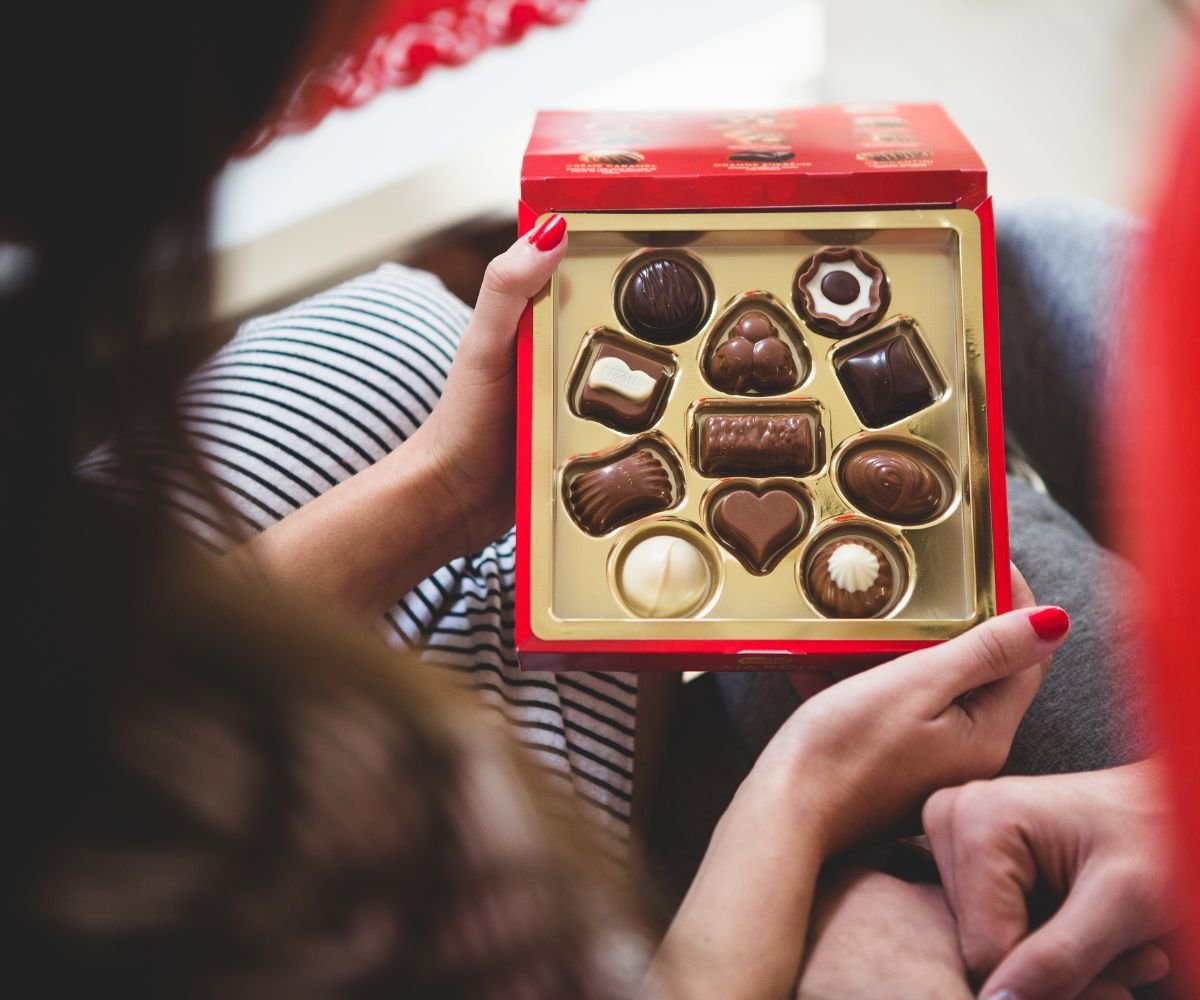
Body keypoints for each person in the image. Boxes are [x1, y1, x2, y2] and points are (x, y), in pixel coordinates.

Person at [1, 3, 1160, 998]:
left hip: (451, 585)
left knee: (985, 281)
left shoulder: (72, 633)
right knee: (995, 355)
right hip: (644, 813)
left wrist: (449, 488)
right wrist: (810, 812)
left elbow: (89, 689)